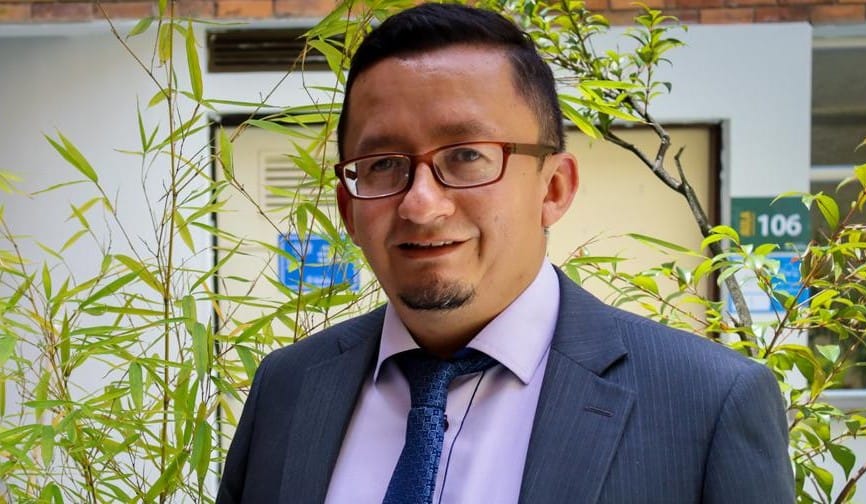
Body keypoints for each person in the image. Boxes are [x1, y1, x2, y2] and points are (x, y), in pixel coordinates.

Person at [216, 3, 794, 503]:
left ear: (554, 188)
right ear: (348, 208)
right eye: (384, 164)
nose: (421, 204)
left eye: (467, 155)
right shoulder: (288, 389)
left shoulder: (706, 405)